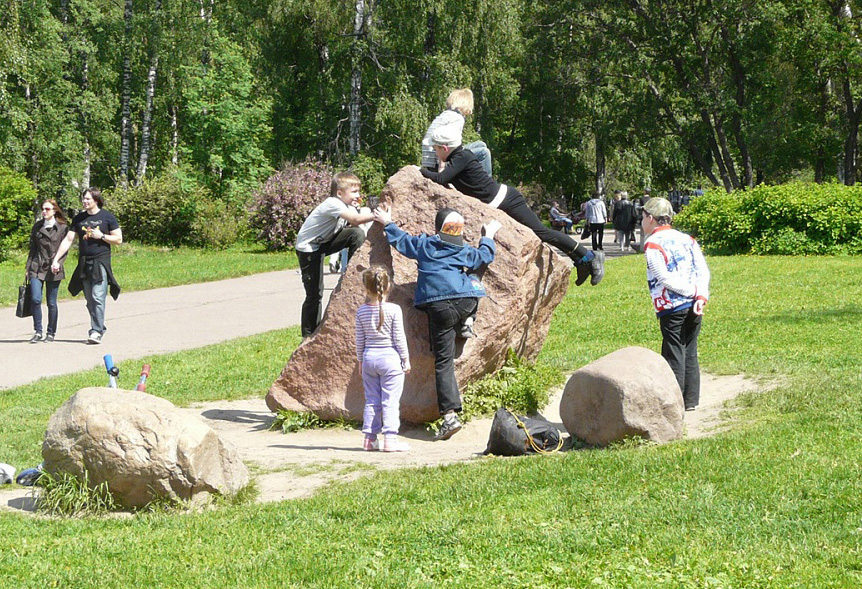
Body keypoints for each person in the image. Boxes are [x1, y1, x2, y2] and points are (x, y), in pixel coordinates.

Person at [373, 204, 500, 441]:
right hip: (465, 301)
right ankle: (468, 320)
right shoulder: (463, 249)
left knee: (443, 362)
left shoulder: (425, 245)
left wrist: (387, 222)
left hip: (438, 307)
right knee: (474, 277)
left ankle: (450, 417)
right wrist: (489, 236)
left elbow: (402, 242)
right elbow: (484, 256)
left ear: (436, 228)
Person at [419, 124, 604, 286]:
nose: (435, 154)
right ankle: (581, 263)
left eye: (436, 150)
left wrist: (420, 171)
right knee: (541, 234)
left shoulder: (461, 157)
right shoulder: (458, 158)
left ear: (444, 148)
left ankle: (589, 257)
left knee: (541, 233)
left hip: (507, 200)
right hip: (500, 202)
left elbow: (441, 178)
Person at [641, 197, 711, 412]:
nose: (641, 222)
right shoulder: (687, 239)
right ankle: (691, 400)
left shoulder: (652, 245)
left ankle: (674, 402)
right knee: (689, 350)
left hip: (671, 306)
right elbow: (703, 270)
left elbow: (663, 278)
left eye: (642, 218)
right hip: (694, 305)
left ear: (651, 219)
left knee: (673, 352)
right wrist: (700, 295)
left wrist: (689, 293)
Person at [295, 172, 375, 338]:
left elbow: (356, 222)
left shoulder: (347, 205)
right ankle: (308, 334)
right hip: (309, 249)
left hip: (325, 241)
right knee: (315, 293)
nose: (358, 195)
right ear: (339, 193)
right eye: (354, 192)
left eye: (358, 191)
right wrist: (378, 214)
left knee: (356, 234)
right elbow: (356, 219)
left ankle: (353, 271)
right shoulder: (333, 203)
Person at [52, 188, 122, 344]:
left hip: (100, 261)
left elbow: (119, 239)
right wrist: (56, 259)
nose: (85, 201)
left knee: (98, 296)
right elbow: (69, 240)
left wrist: (102, 236)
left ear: (96, 200)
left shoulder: (107, 217)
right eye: (83, 199)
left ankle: (95, 331)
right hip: (84, 262)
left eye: (88, 199)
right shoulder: (79, 219)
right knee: (90, 299)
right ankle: (99, 326)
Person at [355, 266, 411, 452]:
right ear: (388, 287)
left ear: (365, 288)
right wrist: (405, 359)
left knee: (372, 399)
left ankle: (369, 439)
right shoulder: (394, 310)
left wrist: (360, 360)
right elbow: (399, 338)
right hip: (390, 359)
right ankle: (390, 439)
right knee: (390, 401)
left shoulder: (361, 312)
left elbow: (359, 339)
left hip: (369, 358)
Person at [25, 199, 69, 343]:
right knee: (36, 299)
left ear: (55, 211)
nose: (44, 212)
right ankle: (38, 331)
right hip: (37, 266)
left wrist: (58, 263)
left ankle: (51, 333)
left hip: (54, 268)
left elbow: (65, 250)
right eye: (43, 209)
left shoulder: (62, 228)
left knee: (51, 302)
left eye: (48, 209)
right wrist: (28, 267)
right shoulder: (37, 227)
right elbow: (33, 249)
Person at [422, 88, 492, 177]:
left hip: (430, 161)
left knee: (480, 144)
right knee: (484, 153)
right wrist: (442, 169)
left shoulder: (446, 115)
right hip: (437, 162)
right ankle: (486, 183)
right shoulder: (457, 118)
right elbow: (443, 143)